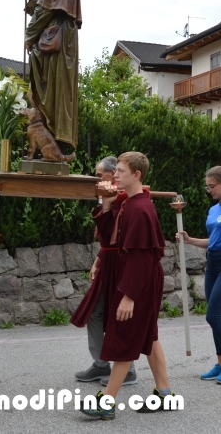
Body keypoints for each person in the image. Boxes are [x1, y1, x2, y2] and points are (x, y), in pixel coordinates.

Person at [81, 152, 176, 420]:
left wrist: (129, 296)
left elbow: (142, 257)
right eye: (115, 171)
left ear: (136, 175)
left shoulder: (141, 209)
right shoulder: (128, 203)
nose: (115, 175)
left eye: (121, 171)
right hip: (138, 276)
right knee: (149, 335)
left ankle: (106, 401)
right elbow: (109, 238)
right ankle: (164, 394)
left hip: (140, 279)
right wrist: (108, 203)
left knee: (124, 335)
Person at [177, 166, 221, 383]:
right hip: (213, 262)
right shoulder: (214, 209)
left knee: (213, 316)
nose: (209, 190)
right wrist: (189, 241)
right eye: (207, 186)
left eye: (212, 186)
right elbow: (213, 241)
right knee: (216, 316)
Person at [71, 156, 137, 386]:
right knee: (94, 312)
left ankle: (128, 369)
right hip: (108, 261)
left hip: (121, 265)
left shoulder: (128, 199)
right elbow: (107, 237)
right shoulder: (109, 197)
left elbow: (123, 240)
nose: (98, 179)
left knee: (121, 315)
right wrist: (98, 259)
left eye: (101, 175)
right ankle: (101, 364)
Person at [19, 0, 85, 158]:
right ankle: (48, 139)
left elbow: (45, 12)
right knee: (49, 88)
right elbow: (48, 8)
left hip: (57, 41)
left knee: (52, 89)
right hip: (60, 37)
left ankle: (53, 139)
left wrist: (29, 36)